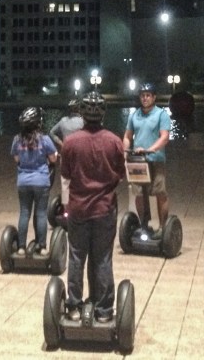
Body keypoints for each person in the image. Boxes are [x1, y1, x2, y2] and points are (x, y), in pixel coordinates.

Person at [59, 91, 126, 322]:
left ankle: (74, 307)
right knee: (103, 258)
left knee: (77, 257)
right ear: (103, 113)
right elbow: (120, 174)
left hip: (78, 208)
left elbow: (66, 174)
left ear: (82, 114)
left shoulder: (70, 142)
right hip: (104, 209)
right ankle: (104, 310)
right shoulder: (114, 141)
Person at [122, 82, 171, 236]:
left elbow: (164, 137)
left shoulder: (161, 114)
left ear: (154, 97)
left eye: (148, 95)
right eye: (142, 95)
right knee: (138, 193)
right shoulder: (134, 115)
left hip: (155, 159)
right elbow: (127, 136)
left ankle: (163, 227)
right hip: (138, 160)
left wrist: (151, 149)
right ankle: (144, 224)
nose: (145, 98)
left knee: (159, 192)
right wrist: (125, 153)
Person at [11, 106, 57, 256]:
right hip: (41, 181)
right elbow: (53, 159)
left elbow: (16, 159)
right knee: (41, 213)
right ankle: (42, 247)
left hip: (23, 182)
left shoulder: (17, 139)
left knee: (24, 213)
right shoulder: (45, 139)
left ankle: (21, 247)